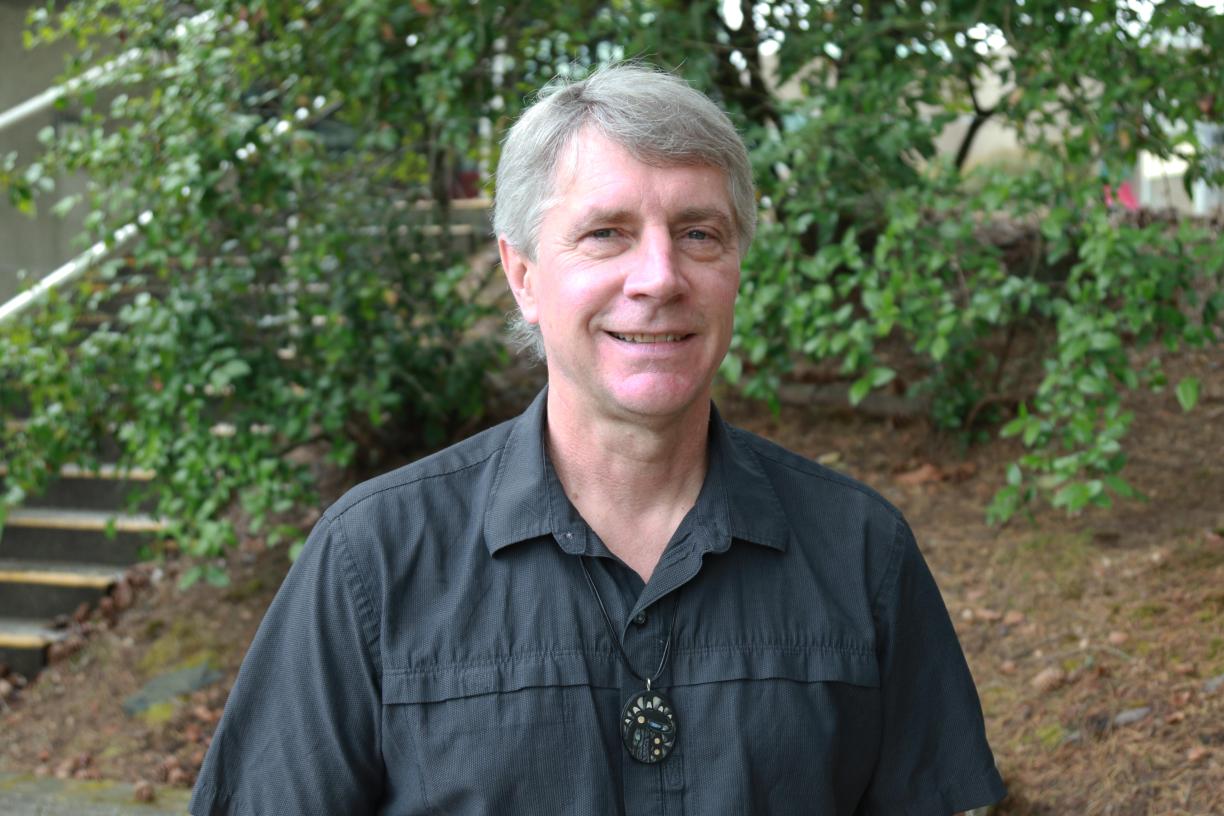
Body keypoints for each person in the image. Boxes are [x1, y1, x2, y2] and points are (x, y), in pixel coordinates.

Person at [190, 63, 1006, 815]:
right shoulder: (372, 561)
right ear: (522, 274)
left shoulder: (862, 553)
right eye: (606, 233)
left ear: (735, 269)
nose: (658, 277)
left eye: (698, 233)